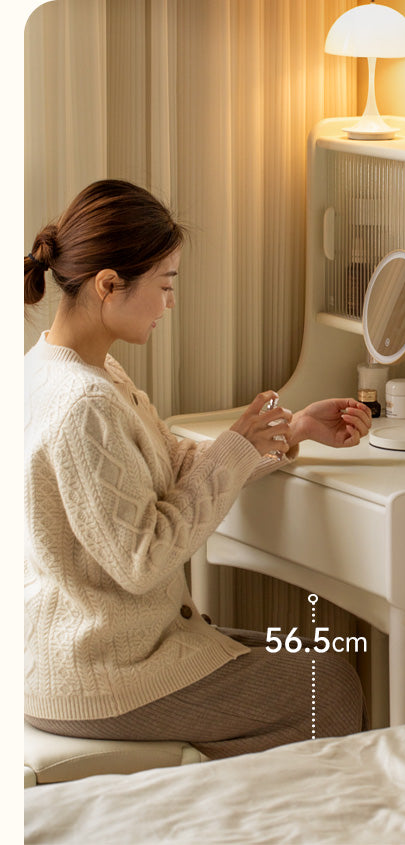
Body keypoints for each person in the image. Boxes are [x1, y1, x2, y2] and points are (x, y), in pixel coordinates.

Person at [24, 179, 372, 758]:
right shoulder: (85, 404)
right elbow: (145, 560)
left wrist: (294, 429)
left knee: (318, 656)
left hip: (94, 654)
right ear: (109, 285)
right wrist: (236, 450)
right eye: (164, 285)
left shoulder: (68, 369)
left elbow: (176, 464)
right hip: (100, 672)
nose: (170, 302)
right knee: (327, 688)